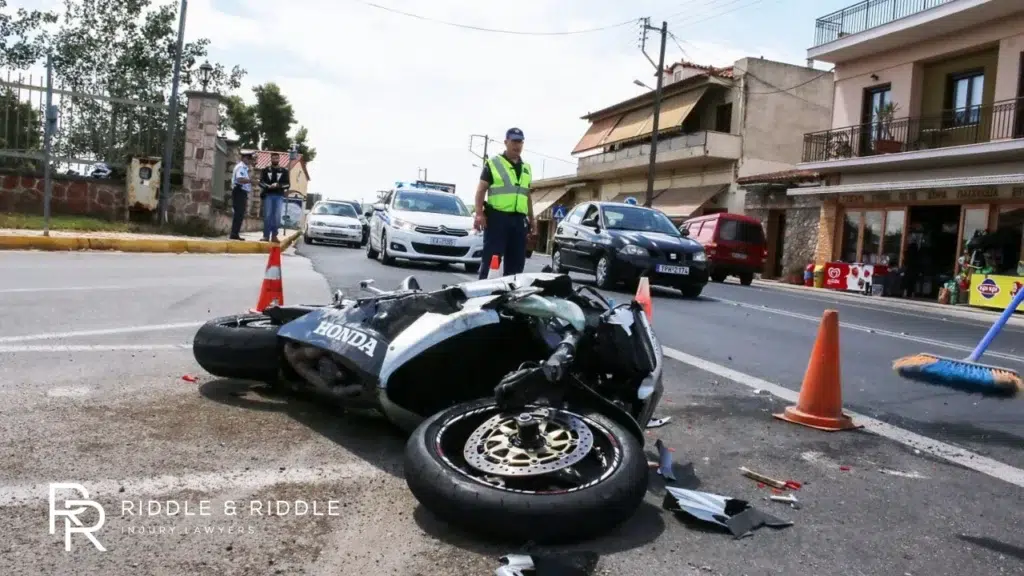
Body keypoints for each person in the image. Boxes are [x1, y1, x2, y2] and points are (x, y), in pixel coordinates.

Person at [473, 127, 536, 279]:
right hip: (497, 219)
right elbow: (481, 190)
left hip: (519, 221)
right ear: (506, 142)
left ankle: (510, 299)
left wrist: (532, 220)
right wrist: (479, 214)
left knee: (516, 266)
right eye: (514, 141)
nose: (517, 145)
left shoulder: (526, 168)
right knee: (491, 262)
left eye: (520, 142)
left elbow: (527, 195)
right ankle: (482, 298)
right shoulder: (493, 163)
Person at [259, 152, 291, 242]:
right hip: (268, 195)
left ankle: (274, 235)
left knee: (276, 216)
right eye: (273, 158)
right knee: (268, 215)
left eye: (277, 158)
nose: (275, 160)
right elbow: (261, 182)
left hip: (279, 196)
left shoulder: (284, 171)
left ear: (279, 159)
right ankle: (266, 236)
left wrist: (278, 185)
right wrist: (268, 186)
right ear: (271, 159)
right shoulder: (265, 170)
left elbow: (287, 185)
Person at [229, 151, 255, 241]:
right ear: (243, 158)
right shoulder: (241, 167)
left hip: (241, 191)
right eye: (248, 158)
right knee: (238, 213)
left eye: (250, 159)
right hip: (239, 190)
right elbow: (239, 179)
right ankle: (234, 233)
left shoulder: (244, 168)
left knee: (240, 214)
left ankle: (235, 233)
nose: (249, 160)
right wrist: (251, 181)